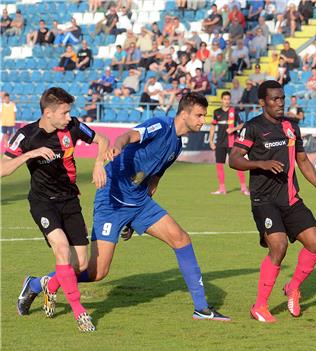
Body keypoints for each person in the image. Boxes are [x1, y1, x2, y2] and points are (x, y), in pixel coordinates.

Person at [26, 92, 230, 322]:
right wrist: (118, 148)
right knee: (97, 272)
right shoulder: (160, 125)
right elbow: (128, 136)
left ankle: (201, 309)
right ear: (184, 114)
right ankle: (38, 283)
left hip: (139, 203)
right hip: (112, 199)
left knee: (181, 238)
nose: (203, 120)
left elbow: (154, 178)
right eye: (199, 115)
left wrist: (136, 217)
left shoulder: (176, 145)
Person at [229, 80, 316, 323]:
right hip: (264, 200)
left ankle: (293, 287)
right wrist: (260, 163)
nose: (280, 103)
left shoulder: (292, 127)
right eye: (274, 99)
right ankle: (259, 306)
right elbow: (234, 159)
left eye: (282, 98)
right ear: (262, 102)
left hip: (290, 198)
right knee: (278, 246)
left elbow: (303, 161)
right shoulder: (253, 128)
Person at [4, 88, 109, 332]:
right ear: (48, 113)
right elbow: (3, 168)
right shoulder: (26, 135)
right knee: (62, 250)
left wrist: (98, 163)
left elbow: (101, 140)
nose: (69, 116)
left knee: (80, 264)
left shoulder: (72, 126)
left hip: (70, 200)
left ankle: (40, 285)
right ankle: (80, 313)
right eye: (64, 112)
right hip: (43, 202)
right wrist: (30, 154)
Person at [208, 91, 249, 196]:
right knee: (219, 166)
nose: (226, 101)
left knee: (237, 165)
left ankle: (244, 188)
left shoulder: (233, 111)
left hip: (232, 143)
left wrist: (234, 129)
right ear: (221, 100)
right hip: (220, 143)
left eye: (228, 99)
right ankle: (222, 189)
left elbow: (242, 124)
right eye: (225, 99)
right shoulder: (217, 112)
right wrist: (211, 141)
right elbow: (212, 127)